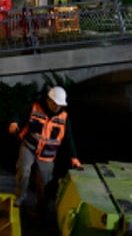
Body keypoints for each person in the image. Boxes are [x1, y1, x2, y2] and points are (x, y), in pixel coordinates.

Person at [7, 85, 81, 214]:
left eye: (59, 105)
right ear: (48, 100)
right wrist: (14, 123)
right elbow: (19, 116)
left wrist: (74, 157)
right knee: (24, 170)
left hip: (47, 154)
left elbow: (68, 138)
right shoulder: (35, 107)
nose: (57, 107)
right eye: (55, 103)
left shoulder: (63, 117)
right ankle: (20, 197)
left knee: (45, 181)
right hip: (29, 146)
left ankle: (42, 206)